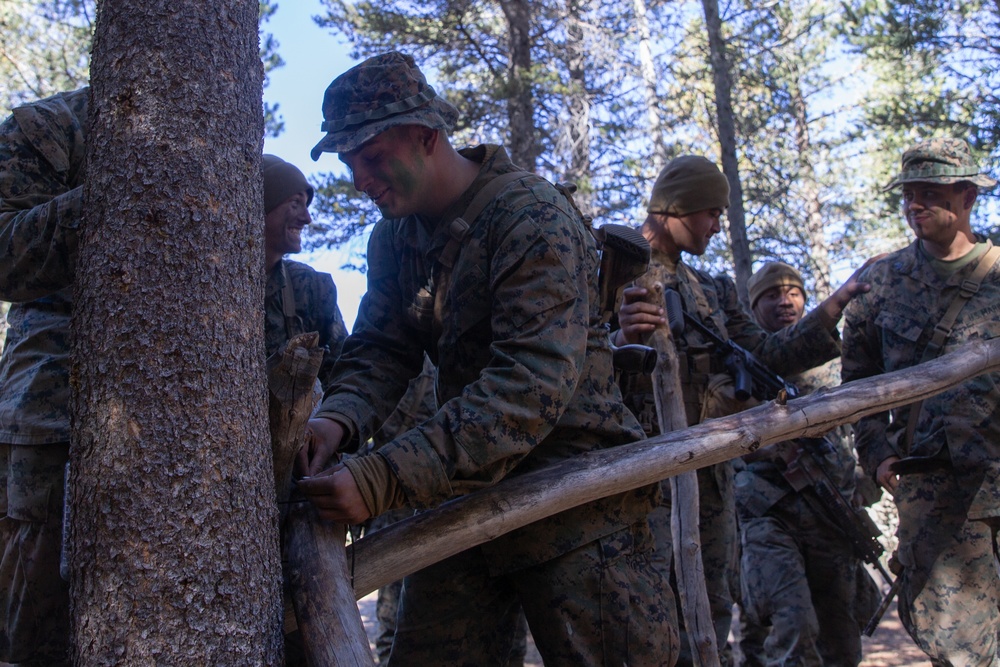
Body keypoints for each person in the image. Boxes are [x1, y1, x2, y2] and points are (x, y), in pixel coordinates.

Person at [296, 51, 677, 665]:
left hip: (577, 494)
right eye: (348, 163)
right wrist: (336, 420)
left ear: (426, 136)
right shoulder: (395, 237)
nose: (360, 178)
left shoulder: (530, 216)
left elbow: (528, 387)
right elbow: (382, 348)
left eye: (371, 157)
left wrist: (381, 477)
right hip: (469, 493)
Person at [614, 155, 870, 665]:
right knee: (645, 622)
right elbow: (565, 361)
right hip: (637, 484)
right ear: (677, 207)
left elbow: (766, 354)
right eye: (709, 212)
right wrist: (618, 337)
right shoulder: (609, 265)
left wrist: (832, 308)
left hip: (711, 480)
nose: (716, 225)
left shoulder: (711, 292)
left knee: (711, 613)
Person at [842, 138, 1000, 666]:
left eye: (929, 194)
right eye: (908, 195)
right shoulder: (882, 284)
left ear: (967, 199)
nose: (914, 205)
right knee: (958, 646)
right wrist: (878, 451)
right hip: (934, 492)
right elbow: (857, 386)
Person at [734, 261, 875, 666]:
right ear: (754, 304)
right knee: (790, 623)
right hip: (769, 515)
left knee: (842, 638)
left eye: (793, 293)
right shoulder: (740, 363)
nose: (785, 302)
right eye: (772, 295)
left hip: (831, 514)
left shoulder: (830, 358)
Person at [0, 86, 89, 666]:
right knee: (28, 639)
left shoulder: (227, 136)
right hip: (48, 423)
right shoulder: (49, 125)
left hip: (174, 428)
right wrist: (129, 185)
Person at [261, 154, 348, 385]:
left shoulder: (311, 288)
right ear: (261, 205)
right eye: (295, 203)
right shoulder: (214, 284)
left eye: (306, 205)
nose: (307, 218)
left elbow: (344, 372)